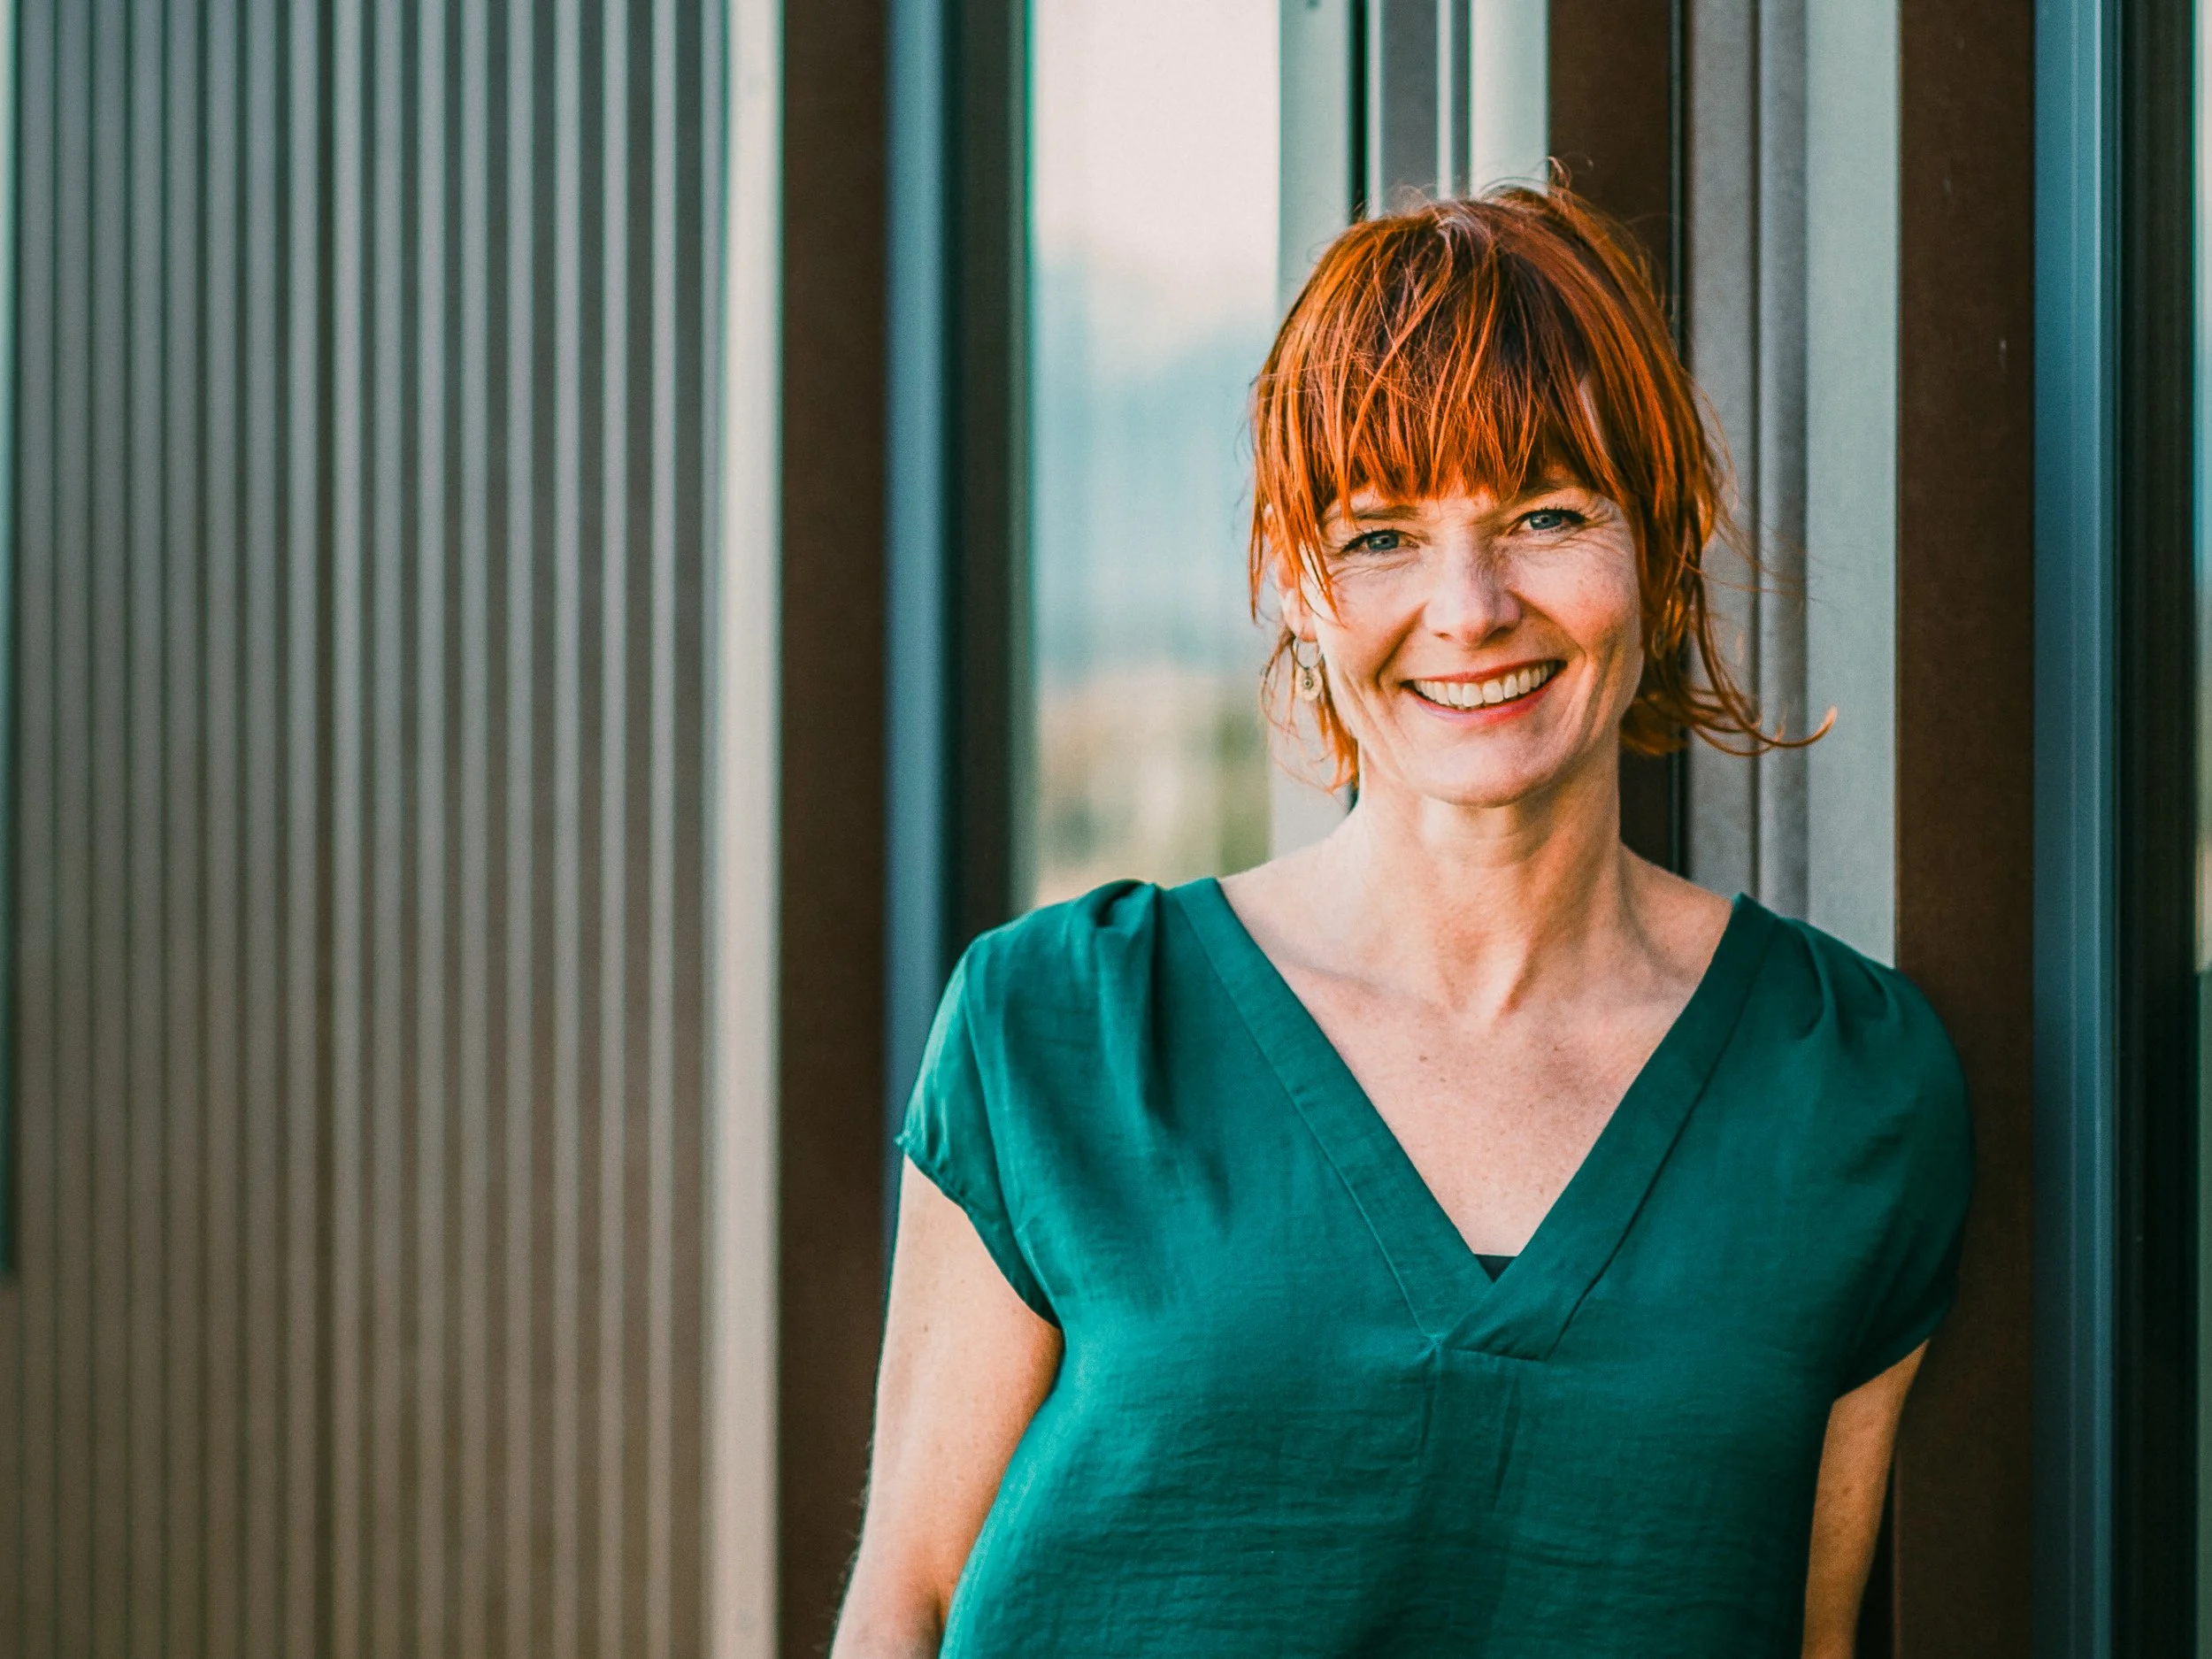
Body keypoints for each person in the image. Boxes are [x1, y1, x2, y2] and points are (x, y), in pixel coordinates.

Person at [832, 186, 1972, 1658]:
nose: (1471, 605)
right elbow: (908, 1600)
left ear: (1663, 542)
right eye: (1381, 535)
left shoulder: (1851, 1089)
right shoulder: (1064, 1029)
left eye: (1547, 515)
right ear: (1295, 583)